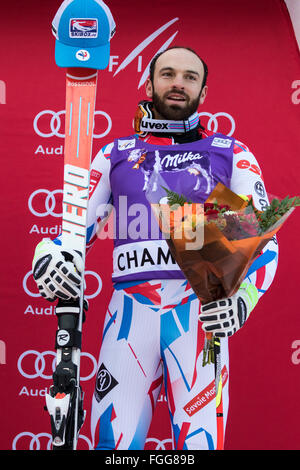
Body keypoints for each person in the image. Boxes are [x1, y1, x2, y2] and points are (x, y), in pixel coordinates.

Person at [32, 46, 278, 450]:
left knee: (200, 445)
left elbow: (264, 241)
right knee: (113, 444)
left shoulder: (230, 155)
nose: (178, 83)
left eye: (189, 77)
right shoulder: (115, 155)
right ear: (149, 84)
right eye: (168, 74)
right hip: (130, 314)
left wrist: (244, 298)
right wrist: (51, 254)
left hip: (200, 313)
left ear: (203, 92)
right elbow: (74, 236)